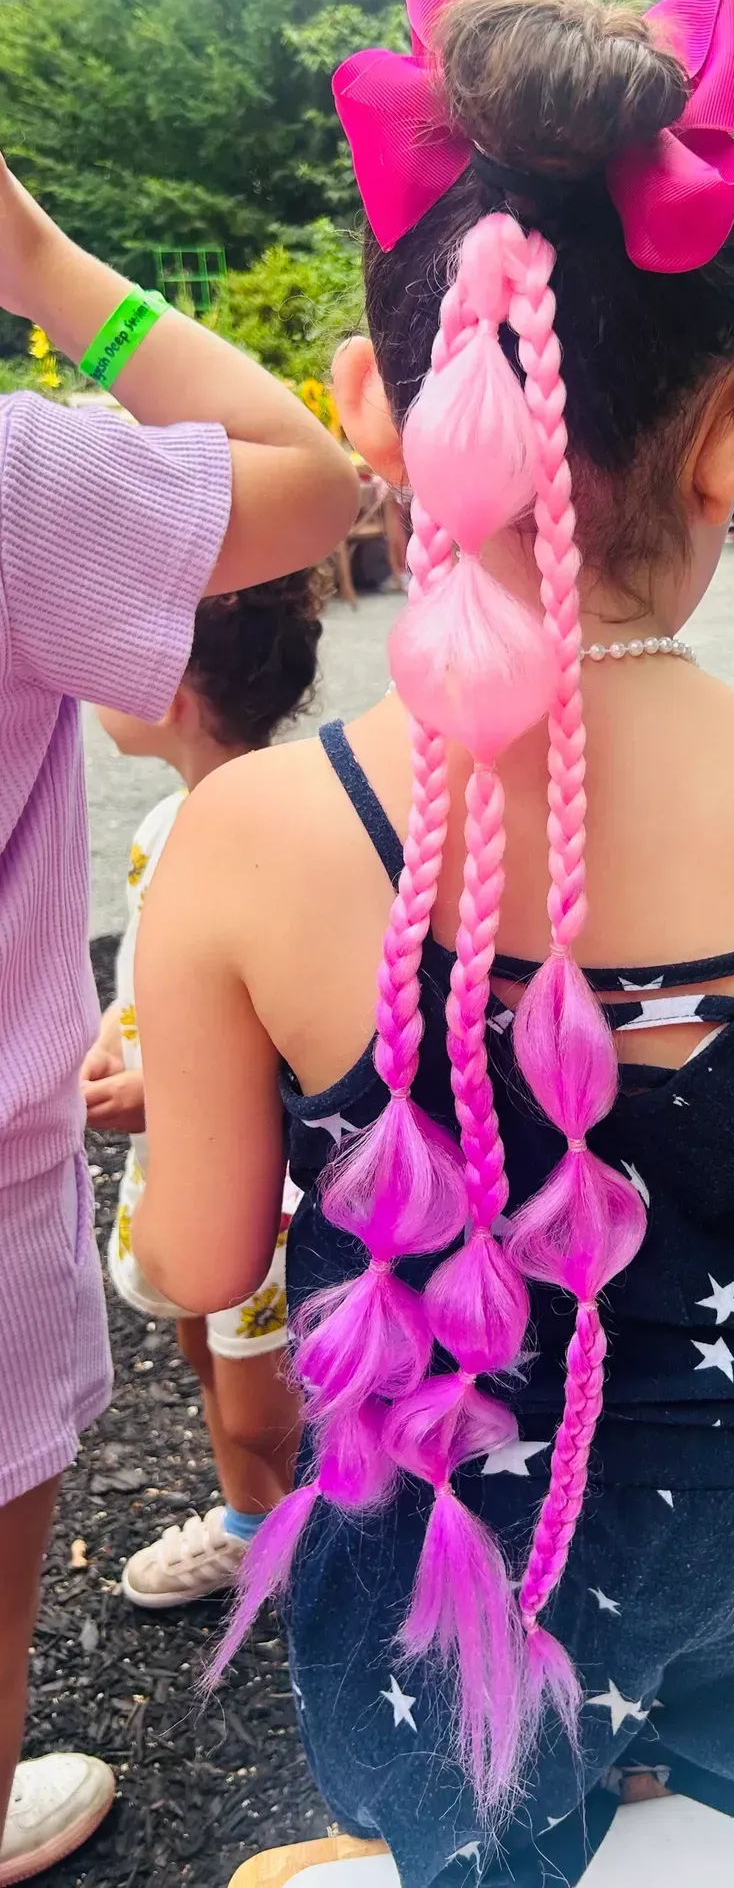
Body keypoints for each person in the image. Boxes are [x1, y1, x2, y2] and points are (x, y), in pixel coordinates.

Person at [132, 0, 734, 1888]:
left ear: (371, 409)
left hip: (448, 1600)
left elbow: (195, 1253)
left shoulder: (255, 840)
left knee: (499, 1795)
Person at [0, 155, 355, 1886]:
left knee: (250, 1379)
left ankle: (269, 1524)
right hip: (45, 1185)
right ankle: (256, 1520)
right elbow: (318, 475)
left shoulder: (233, 826)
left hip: (221, 1202)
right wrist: (51, 267)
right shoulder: (17, 481)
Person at [83, 576, 322, 1609]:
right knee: (196, 1332)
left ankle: (302, 1535)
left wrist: (164, 1094)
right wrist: (109, 1034)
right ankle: (251, 1518)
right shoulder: (162, 827)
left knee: (256, 1390)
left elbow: (295, 1033)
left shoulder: (275, 841)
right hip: (173, 1157)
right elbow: (149, 969)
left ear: (172, 688)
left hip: (252, 1179)